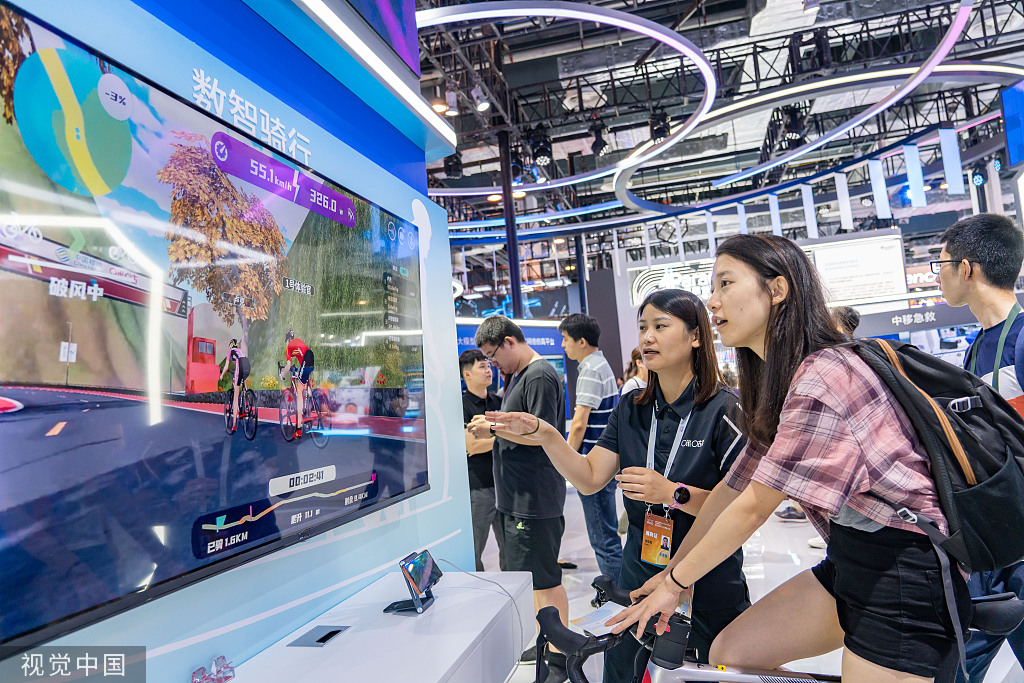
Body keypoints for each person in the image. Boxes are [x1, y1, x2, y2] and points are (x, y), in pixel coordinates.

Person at [607, 234, 970, 683]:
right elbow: (730, 491)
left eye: (725, 284)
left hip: (905, 570)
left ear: (777, 289)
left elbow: (754, 506)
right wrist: (671, 575)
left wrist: (675, 583)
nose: (712, 301)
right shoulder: (783, 382)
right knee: (731, 653)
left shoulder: (823, 374)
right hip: (849, 558)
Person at [488, 289, 749, 683]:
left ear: (696, 336)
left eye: (661, 326)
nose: (647, 337)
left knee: (701, 674)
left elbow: (740, 507)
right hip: (638, 573)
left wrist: (672, 493)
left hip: (705, 579)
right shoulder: (631, 407)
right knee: (622, 672)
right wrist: (546, 435)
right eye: (643, 327)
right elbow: (590, 477)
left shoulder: (724, 409)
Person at [935, 213, 1024, 682]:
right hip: (994, 537)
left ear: (966, 268)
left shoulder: (1021, 338)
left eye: (942, 264)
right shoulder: (975, 350)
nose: (939, 275)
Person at [465, 316, 568, 677]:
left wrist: (492, 427)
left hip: (534, 499)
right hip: (516, 497)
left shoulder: (539, 376)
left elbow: (541, 434)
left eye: (494, 356)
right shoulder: (520, 376)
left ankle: (560, 658)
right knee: (530, 581)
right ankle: (544, 642)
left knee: (545, 582)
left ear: (510, 341)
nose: (493, 364)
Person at [558, 313, 623, 584]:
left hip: (592, 465)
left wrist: (565, 462)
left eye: (565, 339)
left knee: (603, 537)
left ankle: (617, 594)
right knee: (606, 532)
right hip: (604, 461)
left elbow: (579, 425)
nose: (563, 345)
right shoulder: (600, 364)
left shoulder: (590, 369)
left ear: (582, 341)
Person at [459, 348, 504, 572]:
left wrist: (490, 438)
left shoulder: (499, 401)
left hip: (505, 484)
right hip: (479, 487)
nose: (489, 371)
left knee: (511, 549)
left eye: (489, 366)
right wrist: (505, 436)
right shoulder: (461, 406)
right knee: (474, 549)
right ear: (467, 374)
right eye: (482, 367)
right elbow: (472, 446)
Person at [282, 329, 314, 438]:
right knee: (304, 381)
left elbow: (288, 366)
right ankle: (311, 402)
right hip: (310, 356)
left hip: (306, 359)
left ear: (287, 340)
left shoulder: (289, 346)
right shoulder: (297, 341)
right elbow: (302, 358)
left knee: (299, 391)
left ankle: (298, 429)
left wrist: (282, 374)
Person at [226, 338, 250, 433]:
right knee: (243, 382)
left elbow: (227, 367)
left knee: (236, 395)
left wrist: (221, 375)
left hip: (240, 367)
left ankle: (234, 424)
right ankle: (247, 399)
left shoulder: (231, 351)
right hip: (247, 365)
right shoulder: (241, 350)